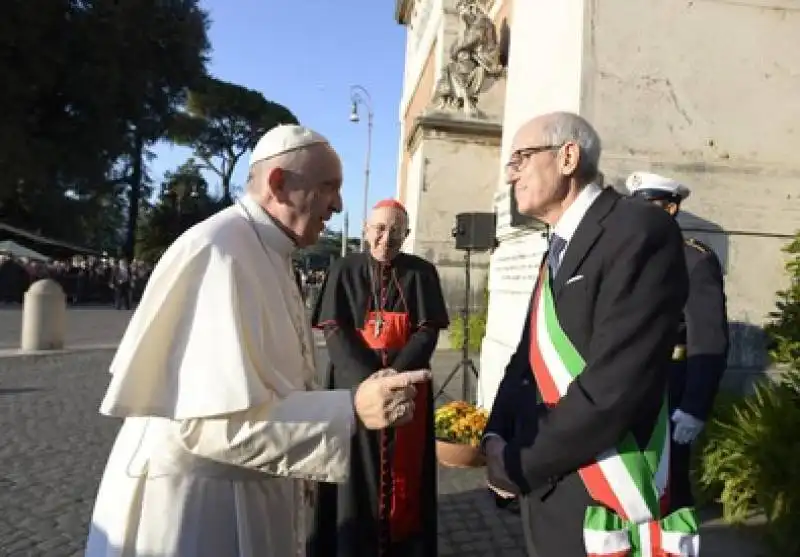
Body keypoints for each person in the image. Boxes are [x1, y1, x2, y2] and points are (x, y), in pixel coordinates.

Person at [85, 125, 431, 557]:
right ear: (278, 184)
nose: (339, 204)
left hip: (254, 490)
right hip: (200, 510)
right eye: (329, 188)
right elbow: (204, 425)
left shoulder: (271, 248)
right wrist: (351, 408)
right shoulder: (218, 251)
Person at [482, 112, 695, 557]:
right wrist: (494, 437)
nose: (511, 174)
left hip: (604, 489)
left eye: (520, 158)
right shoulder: (556, 244)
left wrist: (521, 464)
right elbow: (525, 358)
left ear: (568, 157)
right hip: (546, 487)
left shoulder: (639, 230)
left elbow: (613, 388)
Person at [309, 199, 449, 557]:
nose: (387, 238)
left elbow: (428, 329)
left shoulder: (421, 273)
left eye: (396, 231)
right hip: (352, 390)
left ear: (407, 234)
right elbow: (334, 329)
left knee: (408, 478)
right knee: (351, 477)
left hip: (405, 390)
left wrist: (395, 376)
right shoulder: (343, 269)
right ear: (365, 231)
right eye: (380, 229)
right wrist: (367, 382)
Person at [627, 171, 730, 508]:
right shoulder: (627, 256)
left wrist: (694, 407)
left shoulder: (694, 260)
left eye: (650, 207)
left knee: (668, 481)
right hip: (627, 382)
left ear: (671, 209)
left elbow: (709, 339)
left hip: (671, 386)